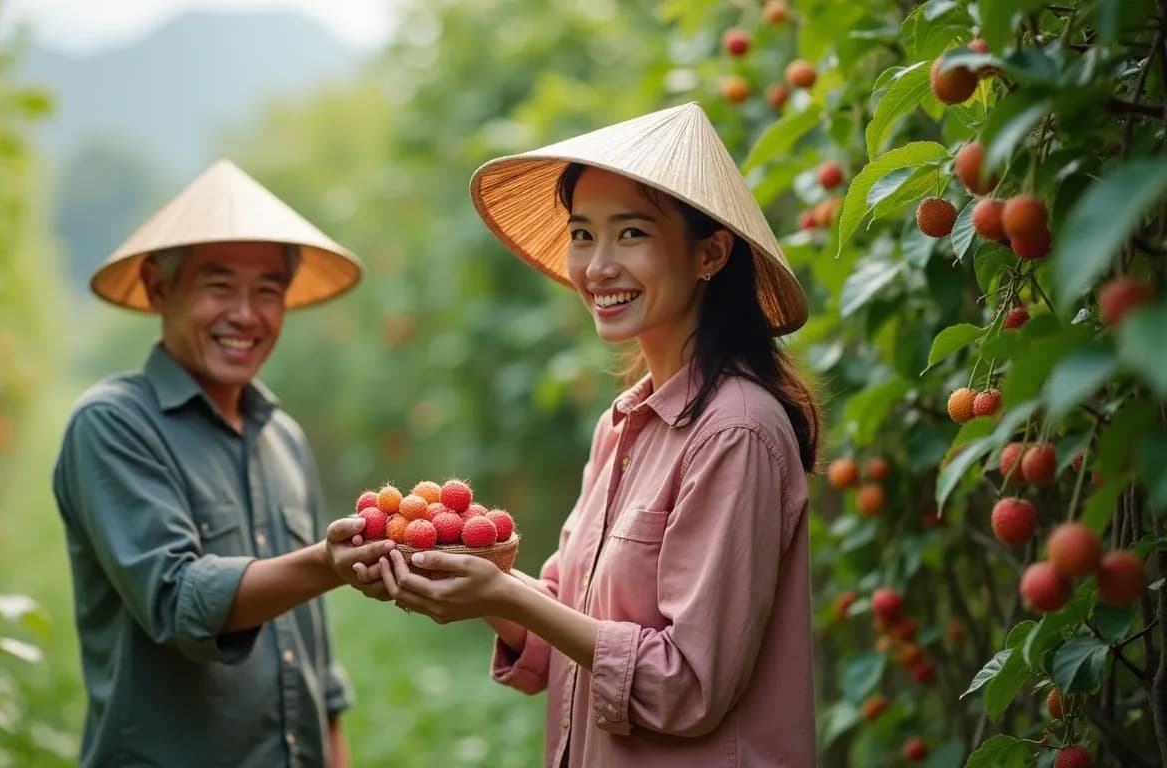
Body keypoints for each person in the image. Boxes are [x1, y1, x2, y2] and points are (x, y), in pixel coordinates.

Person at [370, 102, 821, 766]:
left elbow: (687, 686)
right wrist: (465, 574)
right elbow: (567, 623)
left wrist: (501, 592)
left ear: (710, 253)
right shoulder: (623, 426)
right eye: (583, 234)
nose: (598, 266)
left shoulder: (737, 432)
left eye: (631, 233)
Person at [53, 159, 394, 768]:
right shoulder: (112, 424)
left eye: (267, 290)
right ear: (160, 289)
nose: (245, 314)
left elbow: (314, 650)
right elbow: (177, 599)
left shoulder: (283, 439)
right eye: (219, 286)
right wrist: (326, 562)